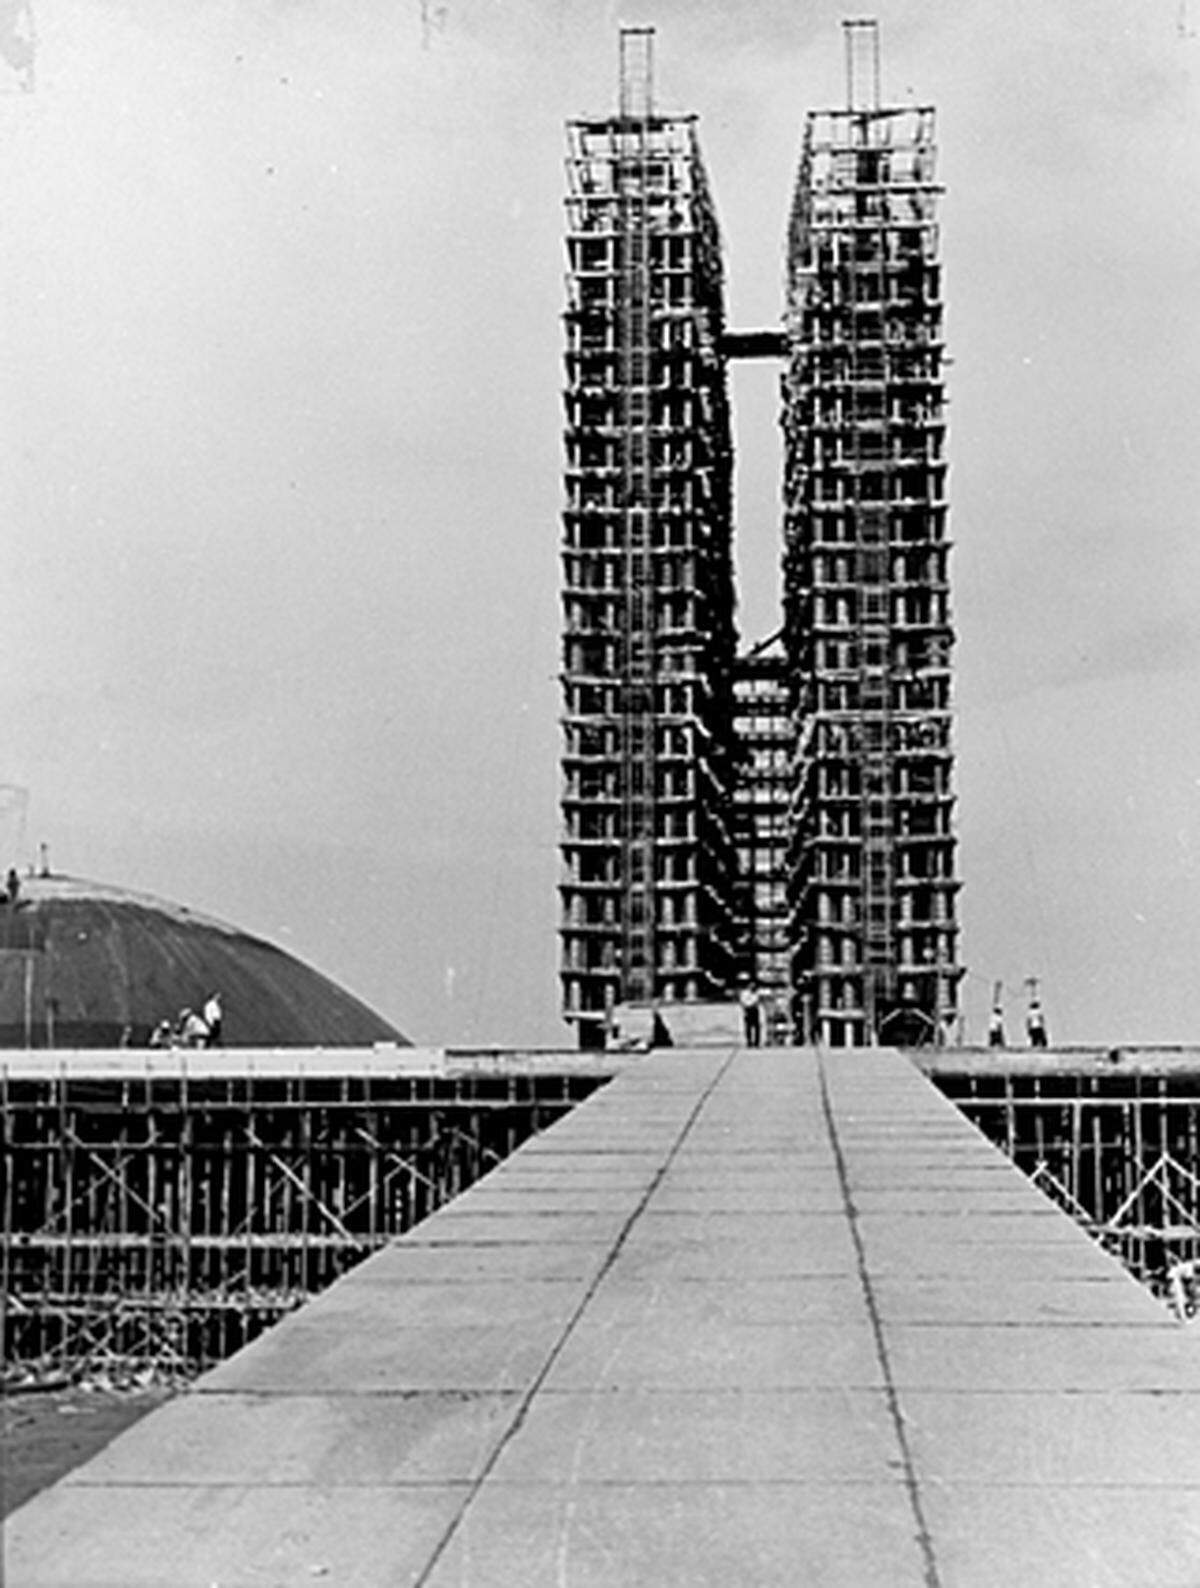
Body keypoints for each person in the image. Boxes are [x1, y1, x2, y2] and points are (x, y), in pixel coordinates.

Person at [739, 981, 761, 1047]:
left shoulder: (756, 993)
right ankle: (749, 1041)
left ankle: (757, 1042)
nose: (753, 987)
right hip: (748, 1010)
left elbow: (756, 1001)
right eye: (752, 986)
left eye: (754, 986)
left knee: (757, 1026)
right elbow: (743, 1001)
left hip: (754, 1010)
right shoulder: (744, 993)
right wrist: (746, 1007)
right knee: (748, 1027)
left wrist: (752, 1003)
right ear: (749, 986)